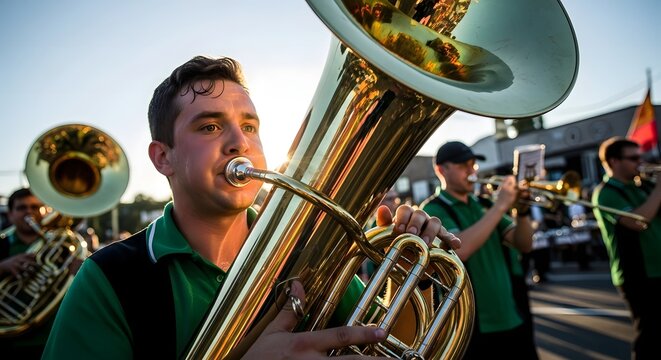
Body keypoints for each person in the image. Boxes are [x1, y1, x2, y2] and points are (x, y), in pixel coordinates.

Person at [42, 56, 460, 359]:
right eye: (209, 126)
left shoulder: (311, 253)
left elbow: (385, 344)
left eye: (249, 127)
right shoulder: (108, 279)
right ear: (162, 157)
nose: (239, 142)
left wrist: (409, 280)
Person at [420, 141, 538, 359]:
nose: (471, 170)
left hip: (513, 315)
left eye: (473, 165)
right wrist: (501, 206)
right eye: (463, 165)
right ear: (441, 170)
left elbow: (524, 244)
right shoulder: (432, 209)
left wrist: (522, 211)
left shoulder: (482, 204)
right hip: (473, 325)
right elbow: (459, 250)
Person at [592, 136, 661, 359]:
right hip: (637, 273)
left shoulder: (644, 186)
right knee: (649, 337)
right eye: (633, 158)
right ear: (613, 162)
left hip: (657, 268)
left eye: (640, 157)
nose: (640, 163)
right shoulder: (605, 192)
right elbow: (638, 221)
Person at [0, 188, 48, 359]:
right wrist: (2, 266)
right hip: (10, 343)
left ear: (45, 211)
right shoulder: (2, 243)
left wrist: (78, 273)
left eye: (35, 207)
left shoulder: (60, 244)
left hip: (53, 337)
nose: (29, 211)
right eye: (21, 208)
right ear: (11, 214)